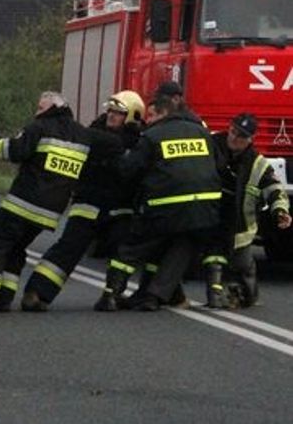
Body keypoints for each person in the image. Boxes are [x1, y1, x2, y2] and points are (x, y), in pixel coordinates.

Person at [0, 91, 92, 315]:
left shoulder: (39, 128)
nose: (36, 112)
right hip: (50, 212)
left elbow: (13, 151)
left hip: (23, 203)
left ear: (52, 108)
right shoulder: (82, 135)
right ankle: (4, 299)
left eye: (40, 108)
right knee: (16, 248)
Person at [93, 94, 223, 311]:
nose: (147, 120)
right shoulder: (202, 132)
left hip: (165, 206)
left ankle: (110, 295)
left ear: (164, 114)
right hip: (204, 209)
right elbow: (219, 165)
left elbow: (128, 170)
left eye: (151, 115)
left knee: (133, 248)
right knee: (178, 247)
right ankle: (152, 296)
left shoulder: (153, 136)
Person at [20, 91, 144, 311]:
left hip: (120, 208)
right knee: (68, 248)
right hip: (89, 202)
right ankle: (36, 292)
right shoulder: (93, 134)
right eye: (111, 111)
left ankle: (111, 295)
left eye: (119, 113)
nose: (112, 116)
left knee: (124, 251)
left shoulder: (138, 142)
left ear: (132, 116)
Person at [200, 112, 291, 308]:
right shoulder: (211, 144)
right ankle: (214, 296)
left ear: (250, 139)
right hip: (210, 215)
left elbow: (274, 189)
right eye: (233, 131)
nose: (234, 138)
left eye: (240, 136)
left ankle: (245, 294)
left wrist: (280, 211)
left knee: (243, 267)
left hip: (239, 222)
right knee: (213, 256)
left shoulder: (257, 163)